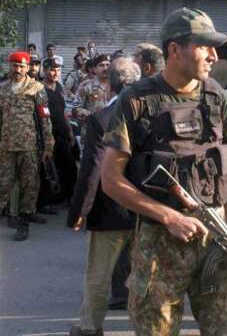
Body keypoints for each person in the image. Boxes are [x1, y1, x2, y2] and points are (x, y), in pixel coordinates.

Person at [100, 7, 227, 335]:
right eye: (204, 46)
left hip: (216, 241)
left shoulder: (220, 100)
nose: (213, 56)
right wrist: (169, 217)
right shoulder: (137, 101)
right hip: (159, 246)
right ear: (174, 50)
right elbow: (110, 179)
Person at [68, 58, 141, 336]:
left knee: (99, 274)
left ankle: (89, 327)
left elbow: (92, 170)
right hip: (147, 209)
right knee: (143, 273)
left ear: (110, 85)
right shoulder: (152, 113)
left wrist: (79, 211)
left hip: (109, 208)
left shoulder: (101, 119)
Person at [0, 52, 54, 241]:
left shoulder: (36, 88)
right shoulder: (2, 89)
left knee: (29, 184)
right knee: (3, 183)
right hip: (6, 145)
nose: (18, 69)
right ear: (10, 66)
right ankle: (9, 215)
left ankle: (24, 223)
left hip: (29, 146)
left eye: (22, 66)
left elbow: (45, 118)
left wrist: (48, 145)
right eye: (15, 66)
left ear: (28, 67)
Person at [38, 56, 77, 213]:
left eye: (58, 70)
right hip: (47, 136)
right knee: (46, 170)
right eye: (52, 70)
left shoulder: (59, 87)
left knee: (68, 166)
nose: (55, 73)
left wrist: (70, 131)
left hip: (62, 135)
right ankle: (44, 203)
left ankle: (69, 197)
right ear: (45, 70)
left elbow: (63, 111)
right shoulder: (39, 88)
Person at [73, 54, 112, 121]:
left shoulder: (116, 85)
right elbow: (76, 107)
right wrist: (89, 115)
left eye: (107, 65)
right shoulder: (86, 85)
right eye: (101, 65)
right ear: (95, 69)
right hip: (92, 125)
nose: (105, 68)